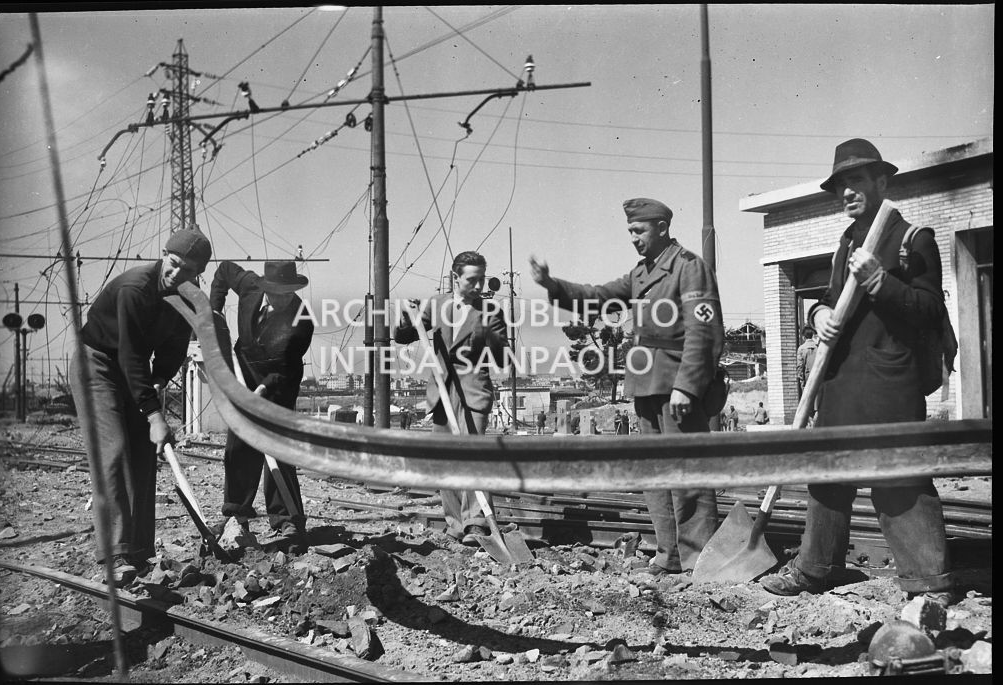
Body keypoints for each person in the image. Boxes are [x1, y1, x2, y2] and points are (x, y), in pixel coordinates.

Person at [759, 139, 954, 615]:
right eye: (841, 184)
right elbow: (828, 299)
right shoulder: (847, 241)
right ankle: (815, 567)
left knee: (899, 478)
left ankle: (929, 581)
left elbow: (929, 310)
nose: (846, 191)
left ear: (881, 182)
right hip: (841, 380)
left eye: (856, 181)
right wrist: (819, 315)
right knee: (828, 475)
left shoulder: (913, 239)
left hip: (891, 382)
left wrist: (879, 280)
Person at [531, 197, 724, 575]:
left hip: (675, 385)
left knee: (688, 472)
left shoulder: (688, 268)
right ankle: (669, 556)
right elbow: (598, 296)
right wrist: (553, 285)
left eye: (639, 230)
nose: (633, 238)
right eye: (630, 232)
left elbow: (704, 331)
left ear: (662, 228)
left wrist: (687, 385)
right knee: (655, 473)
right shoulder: (641, 274)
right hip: (648, 382)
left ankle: (698, 560)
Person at [70, 228, 212, 585]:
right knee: (113, 451)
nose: (177, 274)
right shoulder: (136, 288)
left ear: (198, 274)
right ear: (164, 254)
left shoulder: (186, 300)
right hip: (98, 365)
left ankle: (139, 551)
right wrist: (154, 414)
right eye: (174, 263)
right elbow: (132, 355)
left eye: (188, 270)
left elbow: (173, 350)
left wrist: (161, 379)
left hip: (132, 373)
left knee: (145, 454)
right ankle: (115, 555)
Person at [393, 251, 509, 546]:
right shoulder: (438, 304)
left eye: (482, 279)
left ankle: (476, 523)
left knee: (475, 455)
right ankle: (455, 523)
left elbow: (501, 357)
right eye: (473, 279)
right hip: (442, 390)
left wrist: (491, 332)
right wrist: (406, 315)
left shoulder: (491, 310)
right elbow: (404, 336)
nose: (479, 285)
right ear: (456, 278)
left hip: (473, 390)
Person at [210, 260, 314, 539]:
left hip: (278, 383)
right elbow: (223, 271)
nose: (282, 299)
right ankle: (236, 515)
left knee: (277, 446)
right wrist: (215, 309)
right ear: (265, 288)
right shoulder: (249, 286)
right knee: (238, 445)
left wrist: (261, 392)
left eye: (288, 294)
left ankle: (286, 518)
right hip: (244, 371)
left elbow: (285, 367)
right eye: (277, 293)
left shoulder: (302, 320)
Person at [796, 325, 819, 391]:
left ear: (803, 337)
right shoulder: (818, 347)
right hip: (818, 378)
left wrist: (802, 383)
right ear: (812, 335)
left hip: (808, 379)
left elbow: (800, 367)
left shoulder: (801, 349)